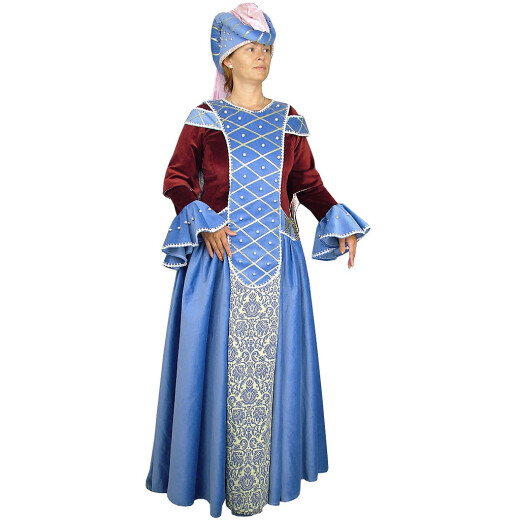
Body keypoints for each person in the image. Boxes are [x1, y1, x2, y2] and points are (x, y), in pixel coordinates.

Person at [145, 3, 371, 517]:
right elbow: (176, 179)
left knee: (275, 372)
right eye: (250, 48)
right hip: (218, 264)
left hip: (278, 268)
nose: (261, 56)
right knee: (212, 372)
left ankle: (263, 481)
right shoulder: (204, 119)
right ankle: (212, 476)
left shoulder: (290, 120)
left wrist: (336, 220)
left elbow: (307, 184)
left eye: (266, 47)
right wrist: (202, 219)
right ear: (226, 59)